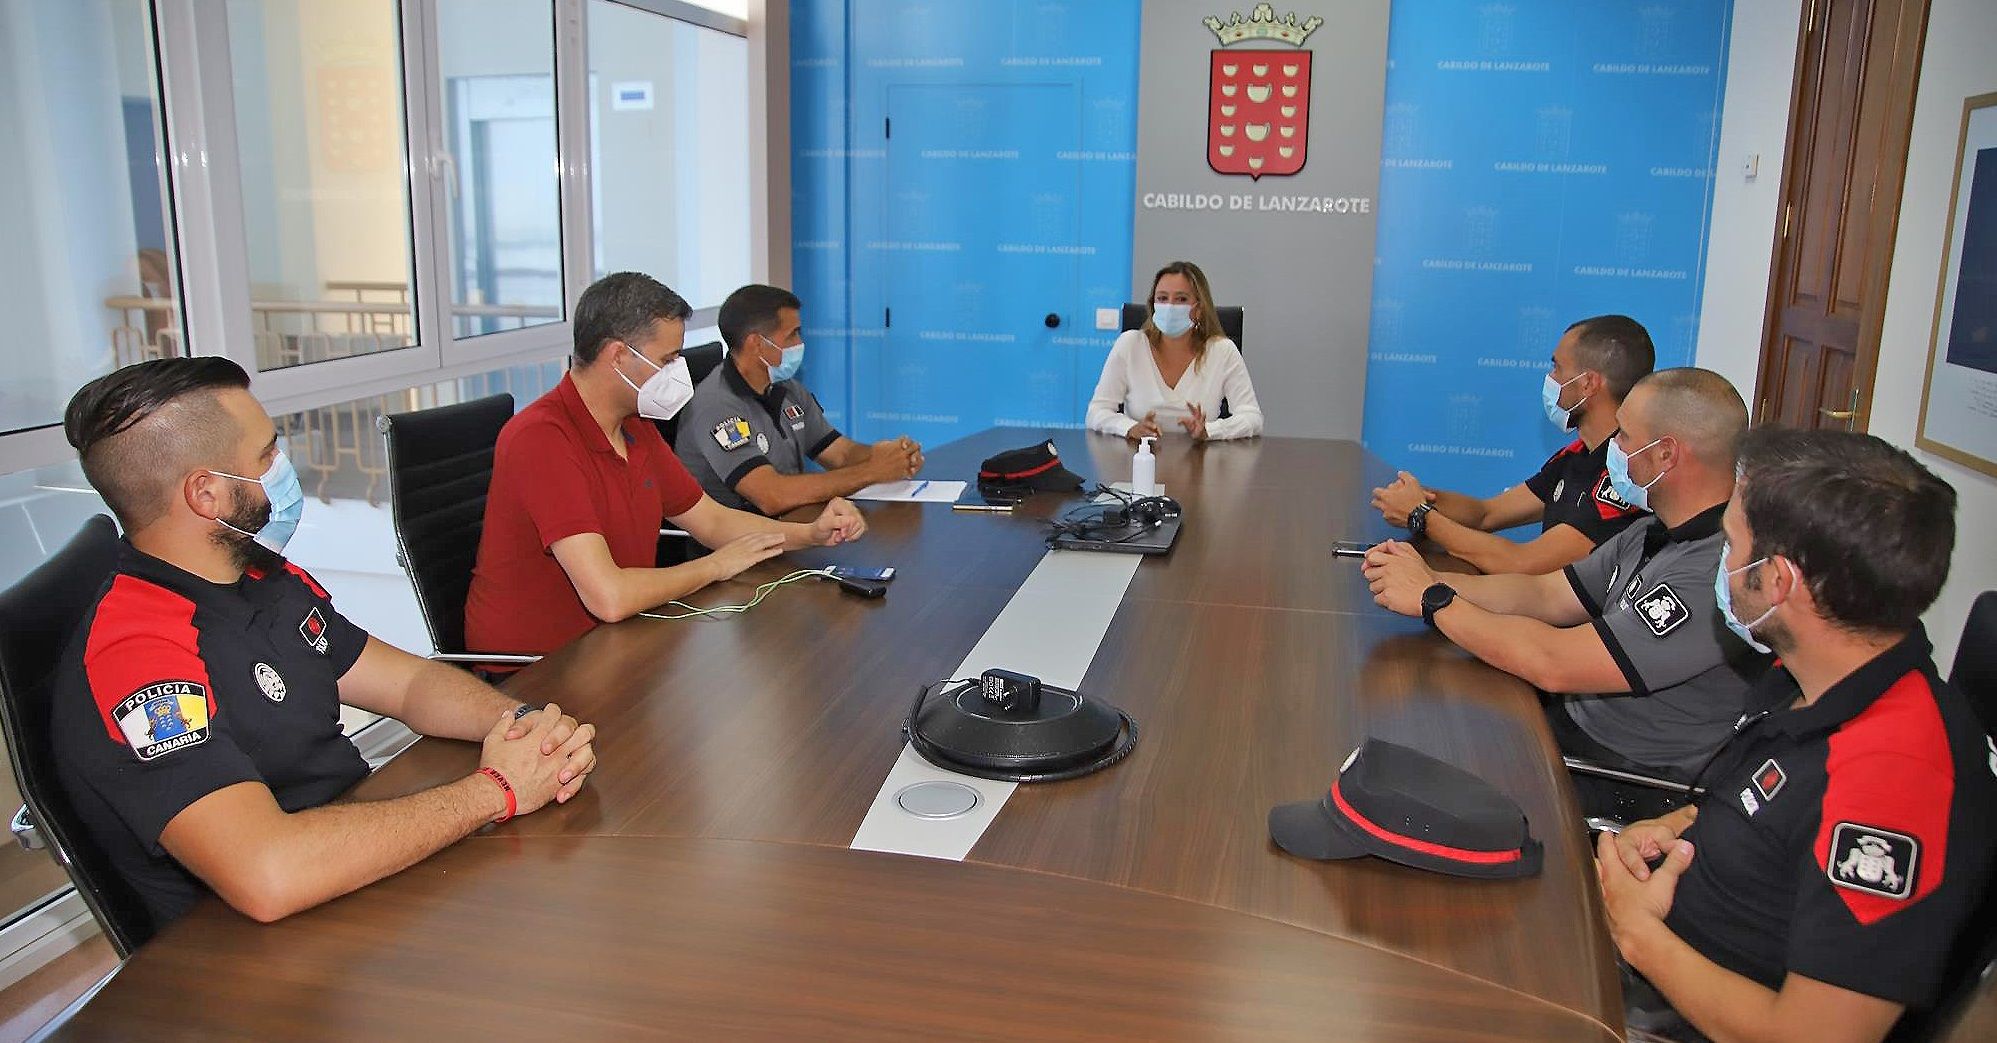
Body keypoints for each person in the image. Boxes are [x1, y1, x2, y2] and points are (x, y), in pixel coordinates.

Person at [51, 358, 598, 934]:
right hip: (259, 948)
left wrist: (525, 726)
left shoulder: (258, 577)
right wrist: (497, 791)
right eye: (266, 455)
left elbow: (408, 684)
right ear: (206, 493)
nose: (282, 467)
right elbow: (268, 871)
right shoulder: (138, 655)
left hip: (357, 871)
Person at [1597, 429, 1995, 1043]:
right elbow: (1776, 816)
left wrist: (1635, 932)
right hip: (1660, 951)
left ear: (1777, 581)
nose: (1721, 564)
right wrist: (1674, 828)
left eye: (1730, 544)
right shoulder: (1817, 676)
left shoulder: (1895, 778)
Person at [1362, 368, 1767, 780]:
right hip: (1572, 723)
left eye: (1624, 436)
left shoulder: (1712, 573)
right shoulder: (1650, 532)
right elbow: (1543, 595)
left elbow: (1552, 663)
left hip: (1623, 770)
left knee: (1419, 759)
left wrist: (1433, 600)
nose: (1614, 447)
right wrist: (1421, 578)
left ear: (1666, 454)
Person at [466, 273, 868, 656]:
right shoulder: (541, 439)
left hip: (616, 640)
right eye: (669, 358)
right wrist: (713, 567)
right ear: (619, 356)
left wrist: (810, 534)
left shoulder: (635, 428)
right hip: (537, 670)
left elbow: (712, 522)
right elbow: (609, 596)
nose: (680, 371)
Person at [1372, 314, 1654, 574]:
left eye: (1557, 367)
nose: (1551, 379)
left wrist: (1420, 515)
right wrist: (1420, 497)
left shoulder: (1625, 477)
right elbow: (1487, 513)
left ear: (1588, 384)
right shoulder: (1576, 456)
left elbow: (1523, 563)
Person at [677, 283, 924, 515]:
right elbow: (771, 495)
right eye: (792, 334)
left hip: (793, 529)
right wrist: (871, 471)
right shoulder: (715, 405)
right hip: (734, 550)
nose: (800, 343)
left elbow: (839, 454)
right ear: (757, 344)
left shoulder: (786, 389)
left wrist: (889, 456)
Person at [1086, 260, 1263, 442]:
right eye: (1162, 298)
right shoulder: (1130, 344)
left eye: (1181, 299)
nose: (1169, 306)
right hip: (1141, 460)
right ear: (1153, 305)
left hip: (1202, 463)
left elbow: (1252, 418)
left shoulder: (1222, 350)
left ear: (1199, 309)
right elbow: (1097, 412)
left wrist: (1210, 430)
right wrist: (1130, 428)